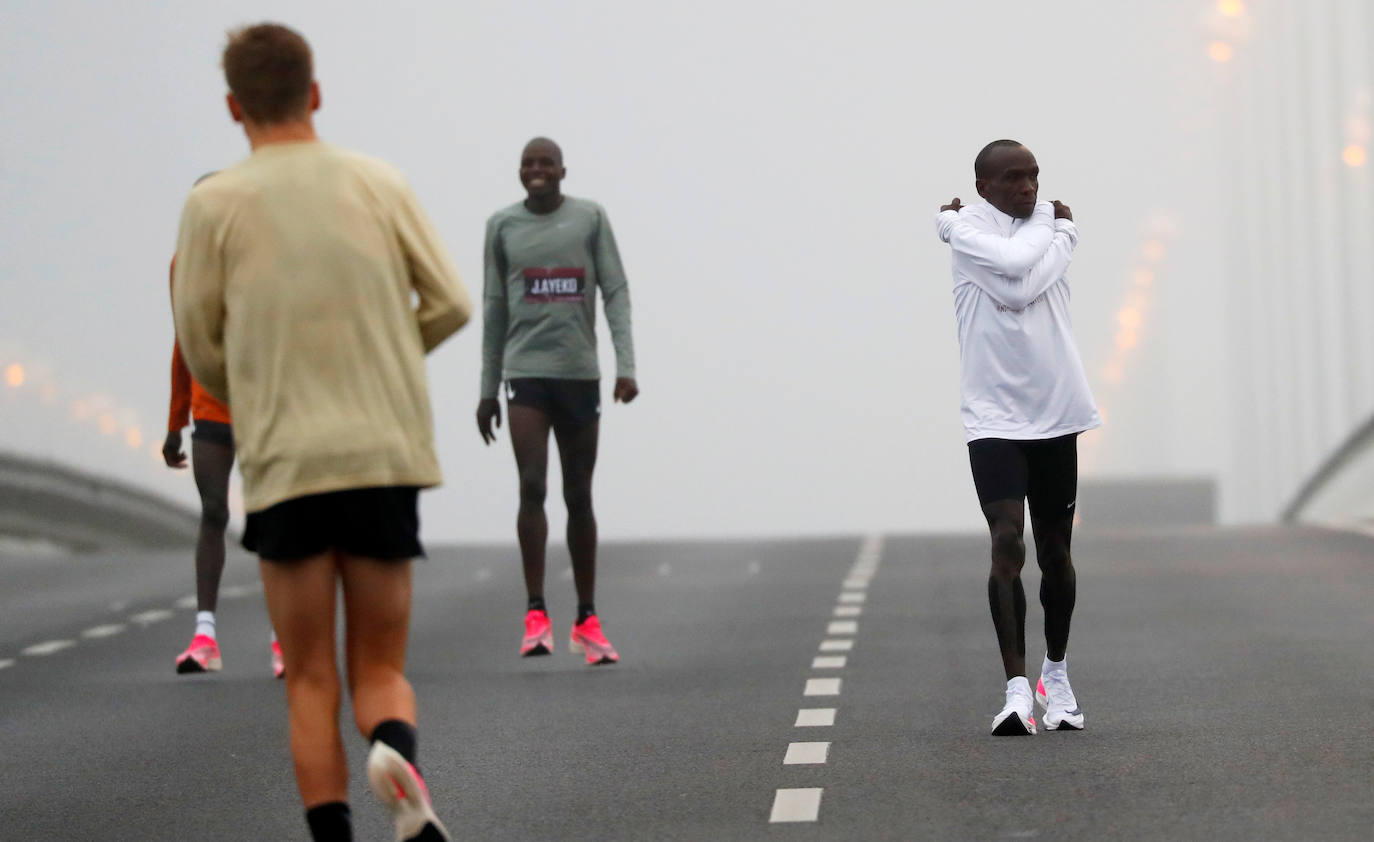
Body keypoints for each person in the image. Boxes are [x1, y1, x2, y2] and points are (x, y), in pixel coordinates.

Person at [173, 23, 471, 841]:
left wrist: (268, 386)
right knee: (380, 669)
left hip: (286, 464)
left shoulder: (213, 205)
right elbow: (450, 300)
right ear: (316, 94)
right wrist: (377, 356)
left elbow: (200, 343)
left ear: (235, 107)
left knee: (308, 679)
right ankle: (395, 757)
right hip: (381, 455)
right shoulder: (378, 182)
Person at [934, 139, 1100, 736]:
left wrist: (1058, 238)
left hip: (1056, 411)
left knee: (1056, 553)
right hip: (994, 418)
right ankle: (1015, 692)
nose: (1027, 188)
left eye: (1033, 177)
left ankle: (1055, 677)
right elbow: (1014, 283)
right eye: (1012, 179)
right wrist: (1064, 236)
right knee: (1008, 541)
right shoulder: (973, 236)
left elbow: (1021, 284)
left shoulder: (1000, 230)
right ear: (984, 187)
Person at [477, 137, 637, 665]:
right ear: (519, 172)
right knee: (531, 484)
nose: (537, 170)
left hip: (578, 374)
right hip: (525, 374)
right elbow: (495, 307)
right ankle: (535, 612)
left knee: (579, 494)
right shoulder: (502, 227)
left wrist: (625, 367)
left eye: (546, 162)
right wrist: (486, 389)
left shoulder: (590, 219)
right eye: (528, 162)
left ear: (563, 170)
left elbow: (614, 290)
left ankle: (587, 618)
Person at [164, 191, 283, 679]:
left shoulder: (266, 258)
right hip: (210, 405)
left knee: (273, 516)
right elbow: (184, 341)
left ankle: (285, 639)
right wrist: (175, 421)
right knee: (214, 511)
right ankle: (205, 635)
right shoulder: (182, 265)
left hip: (264, 406)